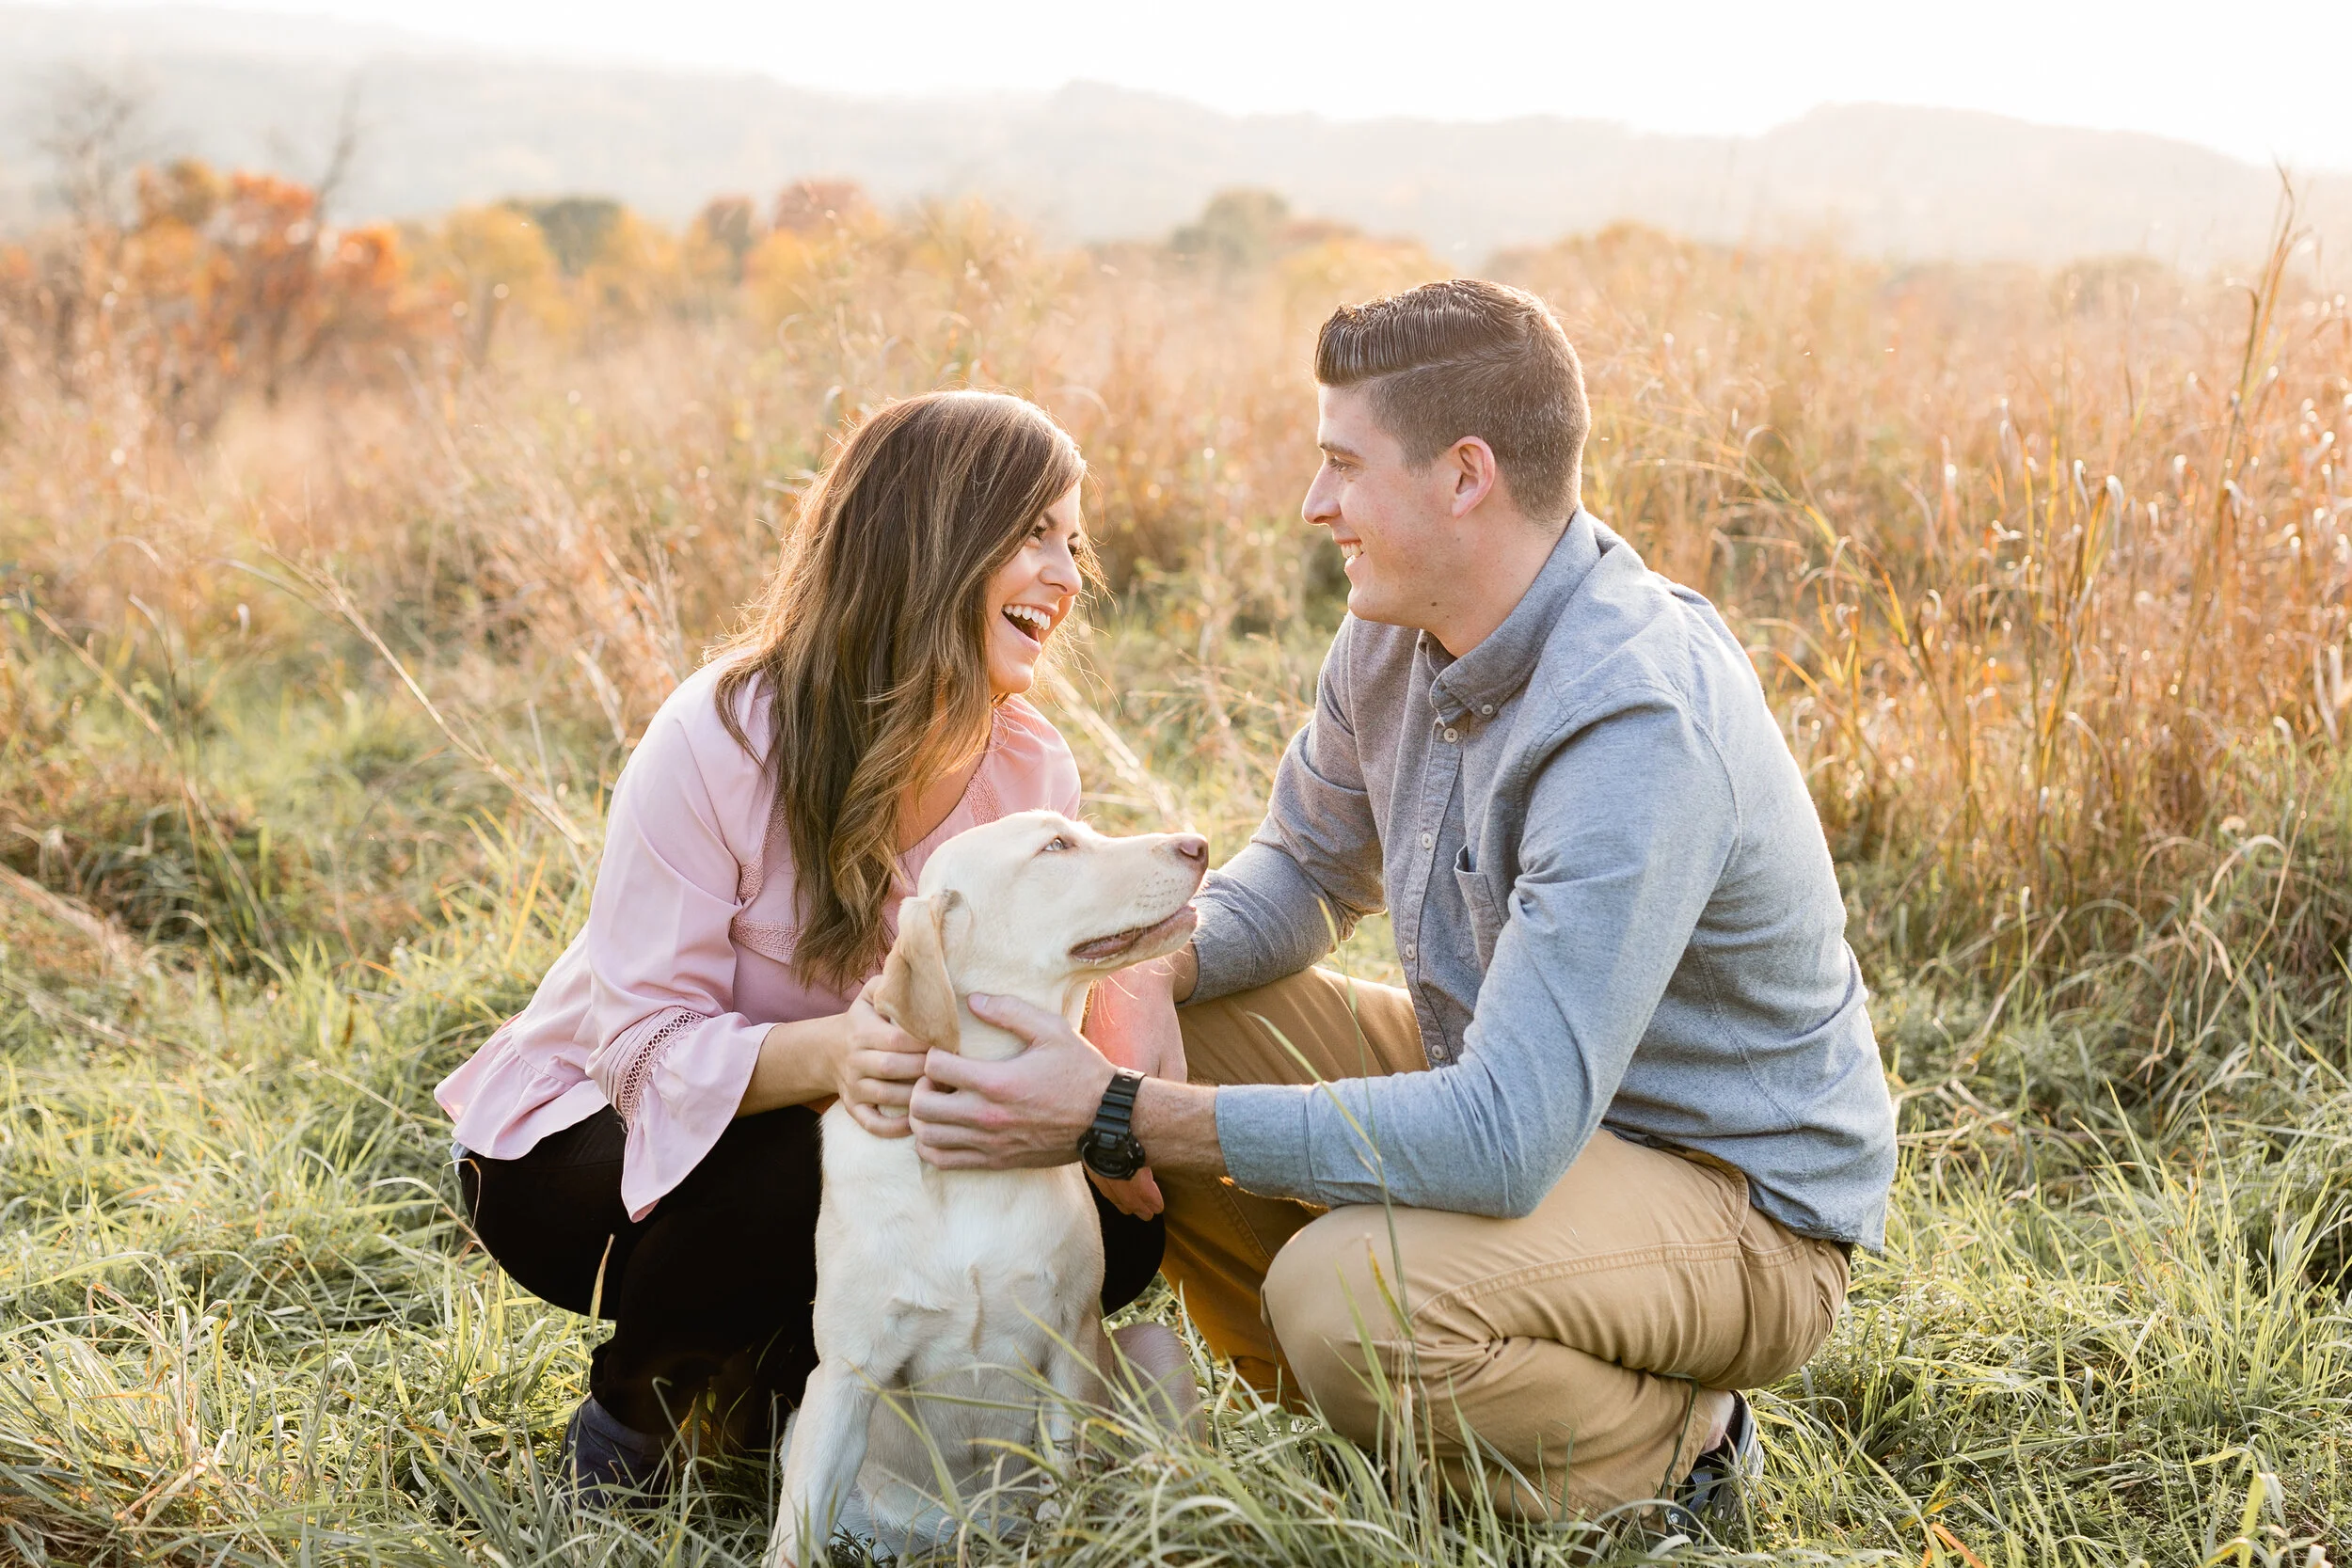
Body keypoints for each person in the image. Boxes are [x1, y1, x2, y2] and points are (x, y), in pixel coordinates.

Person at [900, 279, 1899, 1525]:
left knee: (1349, 1290)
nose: (1314, 503)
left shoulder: (1636, 723)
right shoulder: (1395, 631)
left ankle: (1678, 1447)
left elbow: (1503, 1133)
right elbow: (1306, 870)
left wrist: (1119, 1110)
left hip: (1734, 1202)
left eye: (1340, 464)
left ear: (1464, 475)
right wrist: (1151, 971)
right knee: (1175, 1012)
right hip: (1524, 1097)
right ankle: (1362, 1425)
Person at [435, 389, 1175, 1501]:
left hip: (859, 1126)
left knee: (1106, 1240)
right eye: (1033, 533)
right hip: (586, 1138)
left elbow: (1046, 998)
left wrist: (1118, 1083)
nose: (1069, 576)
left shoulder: (1031, 769)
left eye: (1074, 542)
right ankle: (638, 1425)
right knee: (819, 1149)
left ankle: (790, 1385)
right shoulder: (719, 735)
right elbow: (634, 1044)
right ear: (927, 539)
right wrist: (834, 1055)